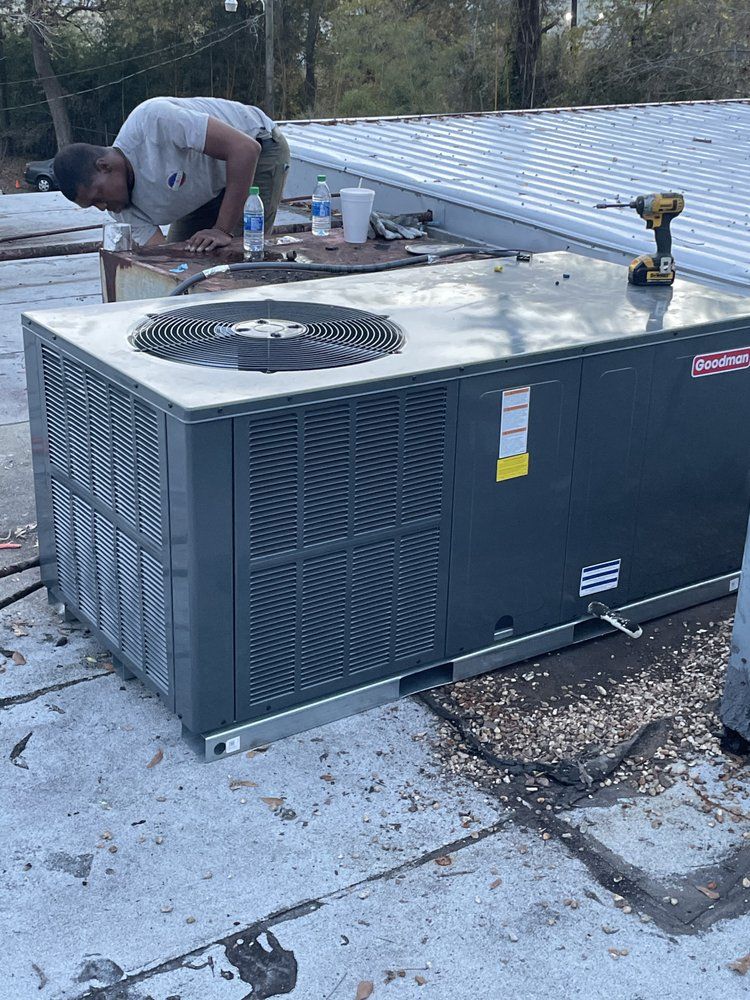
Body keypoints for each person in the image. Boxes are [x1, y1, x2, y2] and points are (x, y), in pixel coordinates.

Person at [53, 96, 290, 252]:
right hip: (205, 184)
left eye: (98, 197)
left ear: (104, 166)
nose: (103, 207)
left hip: (259, 148)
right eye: (93, 206)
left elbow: (245, 149)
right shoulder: (121, 211)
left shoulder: (152, 121)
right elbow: (163, 255)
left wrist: (221, 229)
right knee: (186, 257)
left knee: (239, 255)